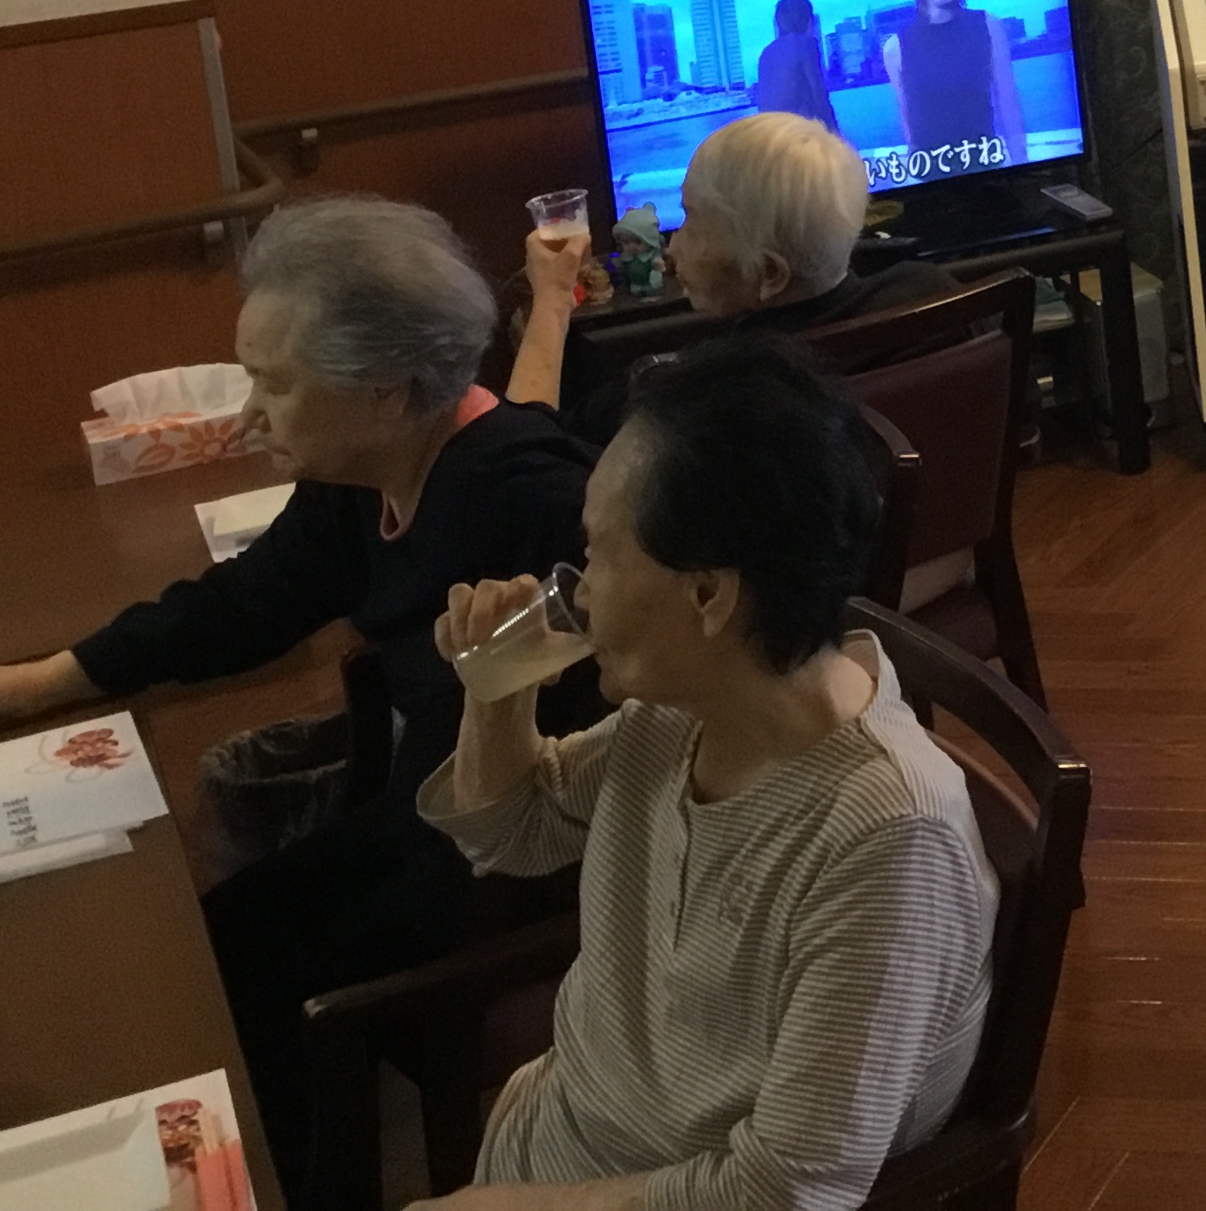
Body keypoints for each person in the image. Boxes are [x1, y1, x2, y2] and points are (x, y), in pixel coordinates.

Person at [0, 198, 595, 1199]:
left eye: (275, 384)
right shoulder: (364, 474)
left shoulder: (527, 499)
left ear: (386, 393)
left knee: (233, 967)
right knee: (219, 939)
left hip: (516, 852)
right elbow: (245, 605)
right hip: (430, 807)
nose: (248, 416)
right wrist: (38, 684)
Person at [418, 340, 999, 1211]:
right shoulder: (683, 709)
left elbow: (787, 1191)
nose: (576, 590)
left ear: (709, 596)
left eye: (598, 553)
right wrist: (495, 689)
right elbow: (513, 833)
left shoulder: (888, 838)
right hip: (558, 1145)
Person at [509, 113, 961, 440]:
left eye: (690, 221)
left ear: (769, 274)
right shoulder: (934, 295)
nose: (672, 247)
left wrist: (551, 301)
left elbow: (524, 456)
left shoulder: (699, 392)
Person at [878, 0, 1029, 170]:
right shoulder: (896, 48)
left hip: (987, 174)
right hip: (931, 180)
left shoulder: (988, 26)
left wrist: (1021, 166)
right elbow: (909, 123)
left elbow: (1008, 104)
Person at [752, 0, 839, 130]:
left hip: (769, 133)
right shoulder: (805, 44)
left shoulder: (766, 53)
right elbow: (819, 95)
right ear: (807, 19)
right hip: (796, 132)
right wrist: (835, 133)